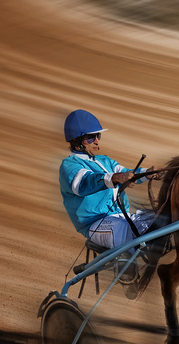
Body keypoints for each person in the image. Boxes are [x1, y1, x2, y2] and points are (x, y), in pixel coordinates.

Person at [59, 109, 165, 297]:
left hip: (121, 215)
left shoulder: (104, 160)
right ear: (77, 141)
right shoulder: (69, 166)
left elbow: (129, 173)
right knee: (125, 229)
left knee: (161, 219)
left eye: (97, 136)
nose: (97, 141)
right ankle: (126, 274)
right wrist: (116, 178)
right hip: (95, 223)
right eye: (90, 138)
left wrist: (150, 172)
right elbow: (85, 183)